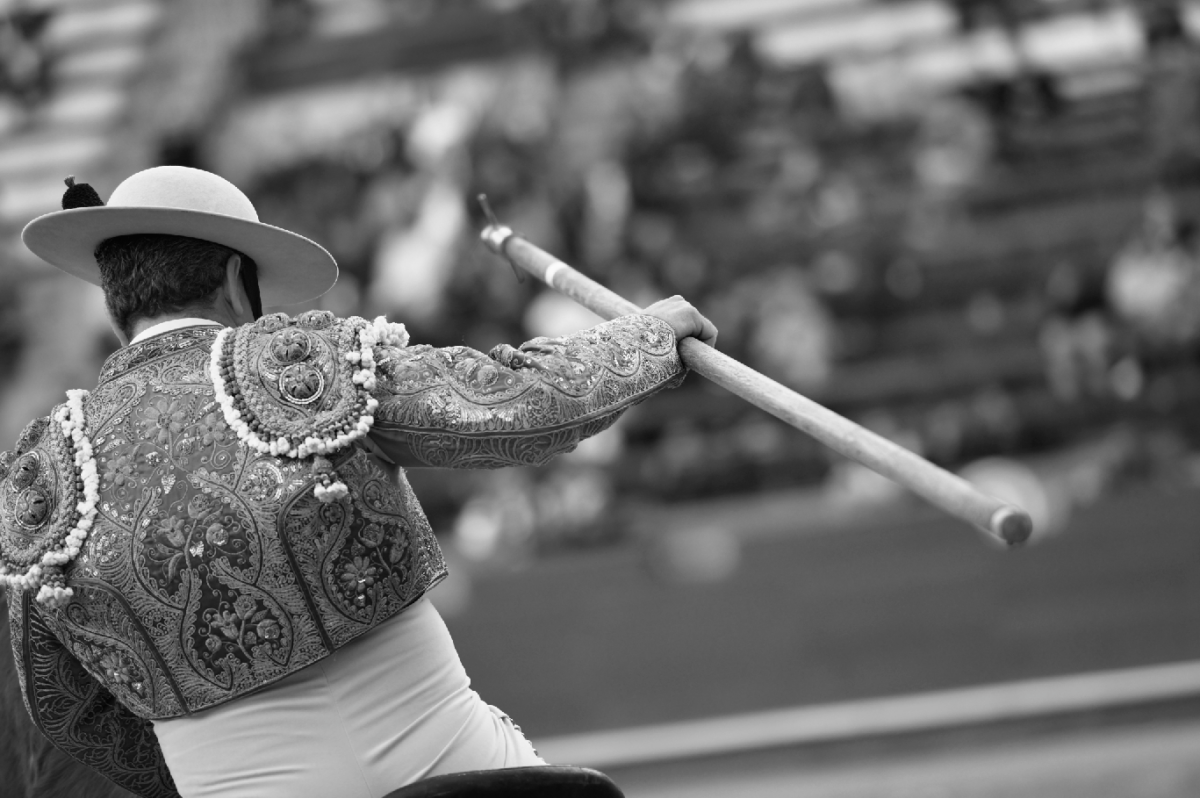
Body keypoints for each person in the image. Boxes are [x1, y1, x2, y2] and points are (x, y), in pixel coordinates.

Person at [2, 166, 717, 798]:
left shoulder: (43, 474)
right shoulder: (299, 366)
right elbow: (518, 408)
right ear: (236, 281)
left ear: (115, 303)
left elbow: (69, 711)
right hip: (447, 760)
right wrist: (650, 336)